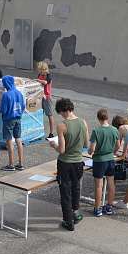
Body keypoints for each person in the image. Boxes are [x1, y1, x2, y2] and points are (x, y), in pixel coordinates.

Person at [49, 98, 88, 231]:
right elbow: (86, 144)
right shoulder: (83, 122)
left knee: (65, 191)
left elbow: (62, 150)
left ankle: (67, 220)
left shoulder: (62, 126)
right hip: (78, 161)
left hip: (65, 163)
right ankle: (75, 212)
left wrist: (54, 145)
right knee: (76, 187)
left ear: (61, 111)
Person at [87, 109, 120, 217]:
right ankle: (109, 206)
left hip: (99, 161)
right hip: (110, 159)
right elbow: (118, 146)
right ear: (107, 118)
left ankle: (97, 208)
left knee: (98, 186)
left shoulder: (96, 131)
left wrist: (90, 152)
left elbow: (92, 148)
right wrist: (113, 152)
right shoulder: (114, 130)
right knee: (111, 183)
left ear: (98, 118)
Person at [0, 75, 25, 171]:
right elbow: (23, 107)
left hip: (8, 120)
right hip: (18, 118)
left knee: (9, 140)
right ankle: (21, 163)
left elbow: (3, 110)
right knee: (18, 139)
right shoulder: (19, 93)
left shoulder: (6, 95)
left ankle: (11, 164)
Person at [36, 61, 55, 139]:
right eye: (39, 70)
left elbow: (45, 82)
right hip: (40, 96)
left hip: (47, 97)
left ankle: (51, 133)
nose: (40, 72)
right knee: (39, 114)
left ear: (44, 69)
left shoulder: (48, 76)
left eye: (41, 70)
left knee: (49, 115)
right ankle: (38, 132)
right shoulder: (39, 75)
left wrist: (38, 81)